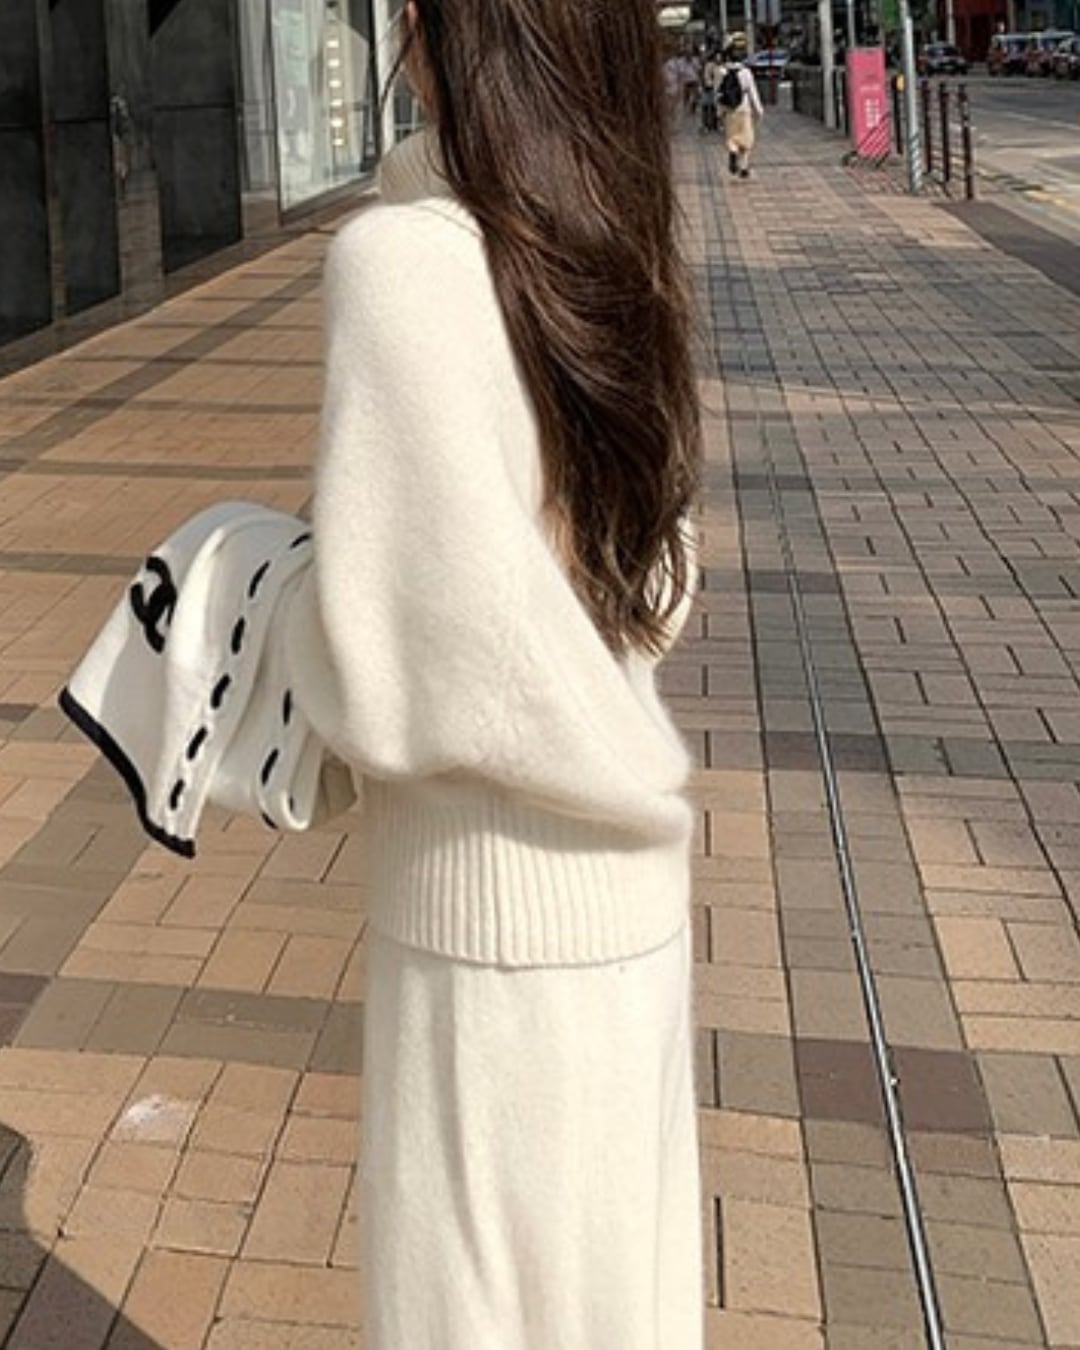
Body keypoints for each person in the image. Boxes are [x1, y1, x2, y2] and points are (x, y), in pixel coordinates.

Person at [291, 2, 704, 1347]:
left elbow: (403, 667)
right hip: (626, 908)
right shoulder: (607, 245)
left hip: (478, 932)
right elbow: (658, 583)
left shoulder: (403, 263)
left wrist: (276, 603)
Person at [720, 43, 764, 178]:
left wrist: (719, 111)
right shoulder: (746, 72)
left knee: (731, 137)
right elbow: (753, 92)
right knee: (746, 139)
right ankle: (744, 167)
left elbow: (719, 93)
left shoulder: (722, 71)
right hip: (744, 109)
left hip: (729, 110)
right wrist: (759, 110)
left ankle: (733, 153)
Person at [700, 49, 722, 132]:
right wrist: (710, 85)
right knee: (706, 107)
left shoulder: (721, 67)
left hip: (717, 90)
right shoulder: (709, 65)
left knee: (715, 108)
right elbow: (706, 78)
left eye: (720, 56)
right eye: (717, 56)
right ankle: (706, 125)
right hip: (709, 90)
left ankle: (714, 125)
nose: (719, 58)